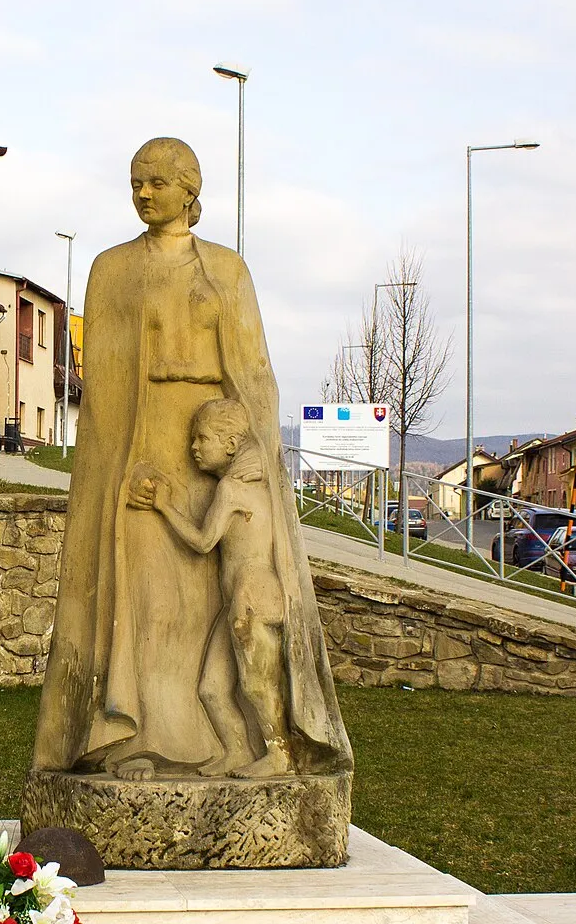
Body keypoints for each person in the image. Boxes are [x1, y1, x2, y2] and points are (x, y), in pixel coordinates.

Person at [32, 137, 352, 783]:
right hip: (142, 442)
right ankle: (137, 735)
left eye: (156, 181)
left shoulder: (225, 268)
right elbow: (106, 380)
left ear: (189, 188)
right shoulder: (113, 267)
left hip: (217, 442)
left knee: (211, 599)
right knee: (146, 597)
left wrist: (257, 448)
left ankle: (233, 742)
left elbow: (255, 371)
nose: (144, 193)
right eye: (135, 182)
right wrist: (113, 460)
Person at [131, 399, 291, 777]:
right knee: (212, 688)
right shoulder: (253, 485)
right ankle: (237, 750)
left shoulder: (233, 491)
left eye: (202, 439)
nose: (194, 448)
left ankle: (280, 753)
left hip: (253, 597)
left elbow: (204, 542)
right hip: (239, 600)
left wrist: (164, 506)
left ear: (231, 445)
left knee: (256, 685)